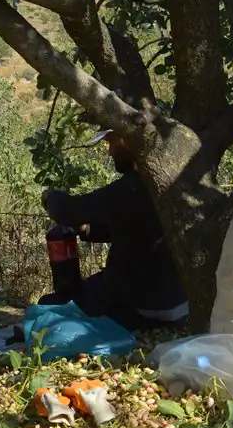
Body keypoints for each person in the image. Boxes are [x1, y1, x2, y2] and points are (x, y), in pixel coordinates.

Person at [39, 128, 188, 329]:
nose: (110, 152)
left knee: (49, 306)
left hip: (141, 306)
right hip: (178, 304)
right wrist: (87, 230)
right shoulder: (170, 182)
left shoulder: (132, 186)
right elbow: (135, 230)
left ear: (128, 139)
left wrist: (50, 198)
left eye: (111, 142)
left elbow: (68, 211)